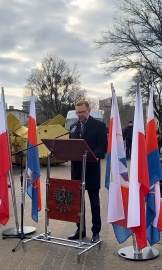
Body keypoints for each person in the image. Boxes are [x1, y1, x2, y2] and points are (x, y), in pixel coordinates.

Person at [68, 100, 107, 243]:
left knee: (94, 203)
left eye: (82, 112)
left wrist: (92, 154)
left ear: (89, 111)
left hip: (91, 170)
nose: (80, 115)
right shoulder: (73, 127)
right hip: (77, 171)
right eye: (77, 112)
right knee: (78, 203)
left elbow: (103, 146)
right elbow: (70, 146)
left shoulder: (99, 126)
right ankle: (80, 229)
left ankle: (96, 232)